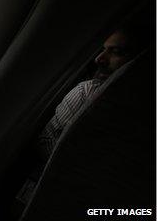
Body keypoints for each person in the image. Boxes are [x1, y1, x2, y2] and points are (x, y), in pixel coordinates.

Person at [37, 27, 148, 160]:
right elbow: (46, 140)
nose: (99, 58)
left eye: (116, 52)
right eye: (103, 49)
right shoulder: (85, 92)